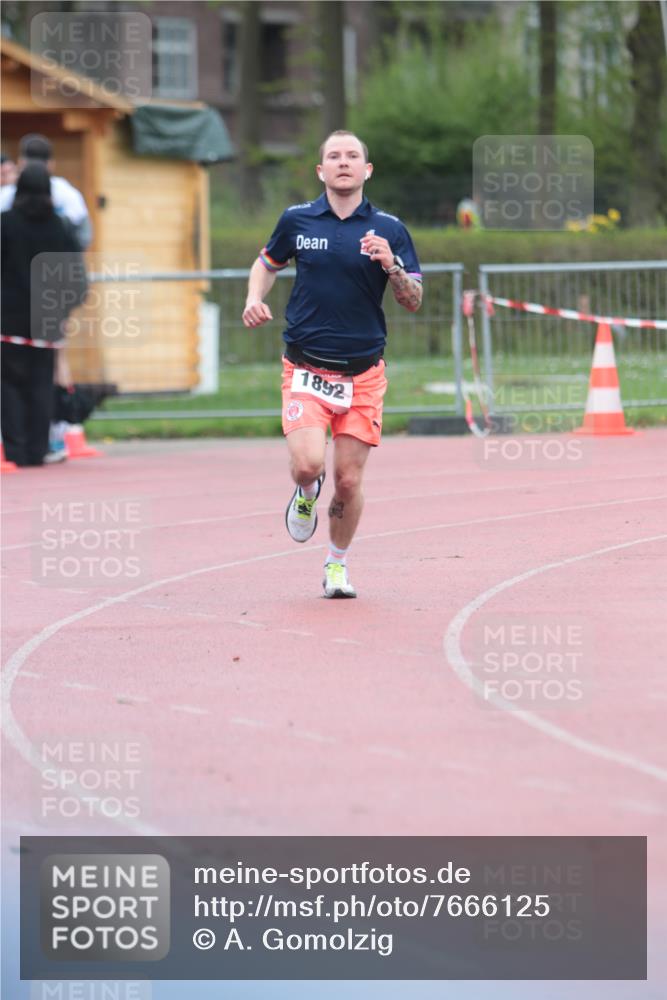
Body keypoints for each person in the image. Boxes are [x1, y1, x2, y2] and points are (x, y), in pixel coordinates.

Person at [242, 130, 422, 599]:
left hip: (363, 374)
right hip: (306, 368)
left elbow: (414, 300)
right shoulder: (297, 219)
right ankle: (305, 493)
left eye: (353, 156)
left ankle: (337, 565)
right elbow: (266, 262)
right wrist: (252, 298)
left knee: (348, 479)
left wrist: (393, 266)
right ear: (321, 170)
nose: (343, 163)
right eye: (334, 156)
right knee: (308, 466)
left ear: (367, 170)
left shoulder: (390, 228)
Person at [1, 163, 88, 466]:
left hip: (8, 318)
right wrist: (65, 308)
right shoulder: (60, 226)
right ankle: (38, 449)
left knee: (8, 383)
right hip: (47, 317)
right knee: (41, 383)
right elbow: (75, 274)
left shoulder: (5, 223)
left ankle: (16, 450)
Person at [0, 134, 92, 249]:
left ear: (21, 162)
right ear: (51, 164)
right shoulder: (67, 193)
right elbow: (83, 235)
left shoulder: (7, 194)